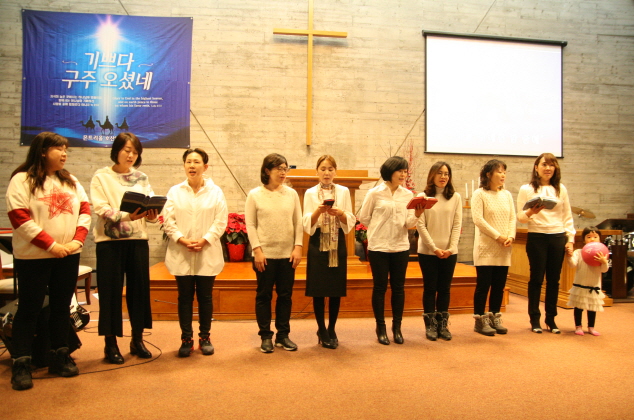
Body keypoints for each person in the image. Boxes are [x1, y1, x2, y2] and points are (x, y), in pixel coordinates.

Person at [7, 132, 91, 391]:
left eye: (66, 149)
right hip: (35, 257)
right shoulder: (22, 179)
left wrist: (76, 242)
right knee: (29, 309)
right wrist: (52, 246)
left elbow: (85, 211)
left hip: (67, 255)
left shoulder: (70, 180)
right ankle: (22, 363)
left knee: (61, 308)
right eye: (59, 149)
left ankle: (59, 355)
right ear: (42, 151)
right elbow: (19, 217)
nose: (64, 153)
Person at [91, 132, 157, 364]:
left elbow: (149, 204)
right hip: (109, 243)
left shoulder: (141, 177)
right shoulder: (101, 176)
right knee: (110, 293)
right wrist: (128, 216)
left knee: (139, 291)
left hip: (138, 240)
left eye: (135, 152)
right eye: (127, 150)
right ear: (116, 150)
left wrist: (152, 214)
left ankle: (137, 339)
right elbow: (101, 208)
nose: (131, 155)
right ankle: (110, 344)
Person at [163, 148, 228, 357]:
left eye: (196, 162)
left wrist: (205, 239)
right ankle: (186, 339)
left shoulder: (216, 192)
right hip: (181, 251)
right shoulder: (175, 192)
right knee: (184, 297)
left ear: (205, 167)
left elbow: (221, 221)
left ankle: (205, 337)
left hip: (206, 252)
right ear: (184, 166)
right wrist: (181, 239)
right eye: (188, 162)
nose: (192, 165)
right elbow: (168, 221)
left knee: (205, 297)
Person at [359, 156, 424, 345]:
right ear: (390, 171)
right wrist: (380, 228)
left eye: (405, 171)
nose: (403, 175)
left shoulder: (408, 195)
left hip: (400, 247)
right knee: (379, 287)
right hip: (379, 246)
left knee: (398, 288)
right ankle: (380, 327)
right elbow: (364, 217)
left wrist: (417, 214)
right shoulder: (374, 193)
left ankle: (397, 327)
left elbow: (409, 223)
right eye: (400, 171)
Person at [245, 153, 303, 353]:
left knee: (285, 296)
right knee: (264, 295)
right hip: (264, 255)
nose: (283, 172)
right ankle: (265, 336)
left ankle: (283, 335)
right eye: (278, 168)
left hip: (287, 255)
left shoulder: (291, 194)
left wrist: (298, 246)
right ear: (267, 170)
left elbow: (298, 222)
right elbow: (250, 225)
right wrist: (257, 250)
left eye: (285, 168)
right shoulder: (255, 194)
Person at [516, 153, 575, 334]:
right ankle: (535, 318)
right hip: (537, 236)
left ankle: (551, 318)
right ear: (536, 167)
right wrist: (531, 212)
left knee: (554, 280)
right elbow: (520, 217)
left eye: (551, 165)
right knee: (536, 279)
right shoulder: (526, 189)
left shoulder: (560, 189)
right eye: (544, 164)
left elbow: (567, 216)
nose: (548, 168)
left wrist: (570, 240)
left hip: (557, 236)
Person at [302, 155, 355, 349]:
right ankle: (321, 329)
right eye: (323, 169)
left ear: (335, 172)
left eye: (330, 169)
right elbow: (306, 222)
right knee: (318, 289)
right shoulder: (310, 193)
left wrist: (340, 213)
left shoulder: (343, 191)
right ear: (317, 171)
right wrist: (319, 211)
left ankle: (332, 328)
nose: (326, 173)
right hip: (318, 242)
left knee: (335, 289)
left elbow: (350, 219)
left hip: (337, 242)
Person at [416, 161, 462, 341]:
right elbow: (420, 225)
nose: (443, 177)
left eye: (446, 174)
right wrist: (434, 248)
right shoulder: (423, 197)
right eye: (440, 173)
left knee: (444, 289)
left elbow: (457, 224)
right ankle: (430, 325)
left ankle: (442, 325)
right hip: (428, 252)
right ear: (432, 175)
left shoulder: (455, 197)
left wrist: (451, 248)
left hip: (449, 252)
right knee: (430, 288)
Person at [471, 159, 516, 336]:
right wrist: (498, 236)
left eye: (504, 172)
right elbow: (478, 220)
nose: (503, 175)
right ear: (489, 174)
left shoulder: (507, 195)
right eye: (499, 171)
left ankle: (494, 317)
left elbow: (512, 218)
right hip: (486, 247)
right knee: (483, 286)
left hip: (504, 247)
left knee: (499, 286)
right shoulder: (479, 194)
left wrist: (510, 236)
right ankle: (480, 320)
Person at [566, 226, 609, 336]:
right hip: (580, 285)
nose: (592, 239)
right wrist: (569, 256)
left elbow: (604, 270)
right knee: (579, 307)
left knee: (592, 307)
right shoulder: (579, 252)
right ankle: (578, 326)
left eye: (595, 237)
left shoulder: (602, 253)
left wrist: (604, 262)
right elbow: (572, 264)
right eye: (588, 237)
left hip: (594, 286)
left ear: (600, 239)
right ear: (584, 239)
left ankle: (591, 327)